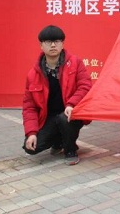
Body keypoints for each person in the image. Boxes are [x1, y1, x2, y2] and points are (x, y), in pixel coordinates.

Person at [22, 25, 92, 165]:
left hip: (72, 113)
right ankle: (58, 141)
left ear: (62, 44)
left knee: (64, 119)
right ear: (41, 46)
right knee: (31, 148)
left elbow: (85, 86)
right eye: (48, 42)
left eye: (57, 41)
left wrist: (71, 104)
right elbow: (29, 107)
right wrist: (31, 133)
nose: (53, 45)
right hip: (49, 118)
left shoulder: (75, 63)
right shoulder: (33, 74)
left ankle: (70, 149)